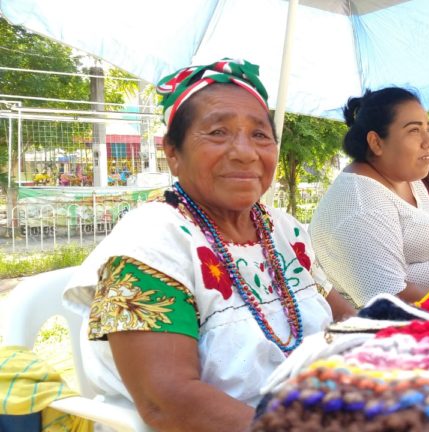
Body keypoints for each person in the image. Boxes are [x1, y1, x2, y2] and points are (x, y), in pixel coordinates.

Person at [62, 59, 353, 432]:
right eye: (218, 132)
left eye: (260, 135)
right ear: (173, 152)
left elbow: (345, 320)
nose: (245, 152)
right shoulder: (151, 242)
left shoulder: (281, 229)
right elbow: (168, 403)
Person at [310, 87, 429, 309]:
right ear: (376, 142)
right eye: (414, 130)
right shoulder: (361, 206)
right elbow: (390, 301)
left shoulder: (406, 178)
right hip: (408, 324)